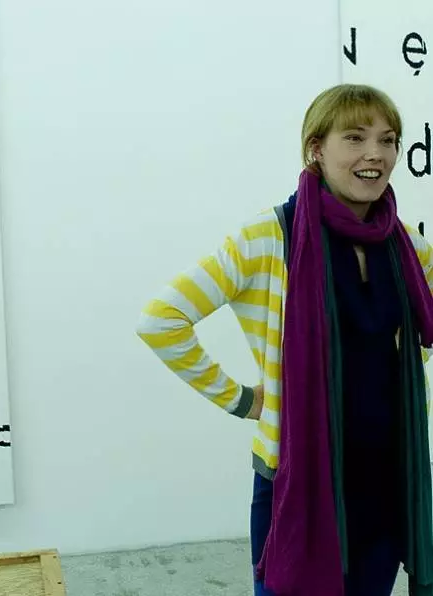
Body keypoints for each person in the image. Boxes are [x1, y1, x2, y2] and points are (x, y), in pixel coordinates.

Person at [135, 83, 433, 596]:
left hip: (386, 475)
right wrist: (240, 399)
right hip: (299, 478)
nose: (375, 154)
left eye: (388, 140)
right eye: (355, 137)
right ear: (316, 148)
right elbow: (162, 319)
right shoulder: (268, 239)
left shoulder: (407, 246)